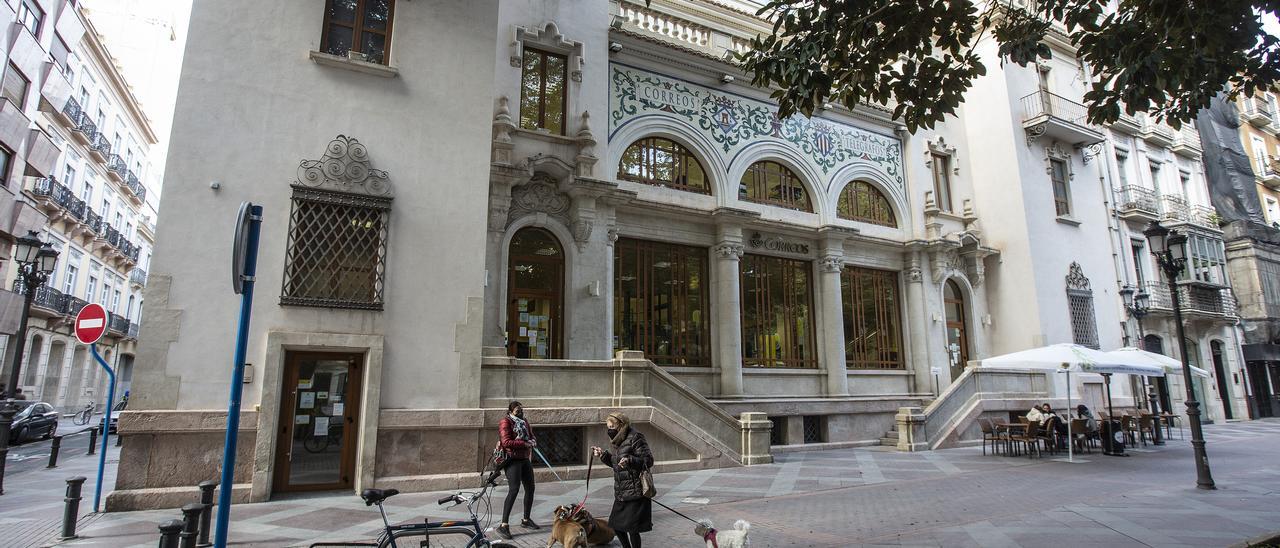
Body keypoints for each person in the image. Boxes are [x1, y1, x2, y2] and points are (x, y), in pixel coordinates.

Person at [592, 412, 653, 548]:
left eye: (612, 426)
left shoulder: (635, 437)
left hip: (635, 491)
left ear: (621, 425)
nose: (610, 430)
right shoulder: (618, 441)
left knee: (632, 529)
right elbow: (617, 464)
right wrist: (603, 455)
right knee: (616, 526)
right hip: (621, 492)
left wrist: (630, 460)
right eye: (608, 427)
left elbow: (648, 460)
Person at [495, 401, 539, 540]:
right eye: (517, 411)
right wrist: (525, 443)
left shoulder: (524, 421)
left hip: (524, 458)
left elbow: (531, 435)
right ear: (510, 411)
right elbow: (506, 442)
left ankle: (526, 520)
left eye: (521, 410)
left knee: (530, 488)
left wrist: (533, 441)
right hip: (511, 459)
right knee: (514, 489)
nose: (520, 413)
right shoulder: (505, 422)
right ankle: (503, 525)